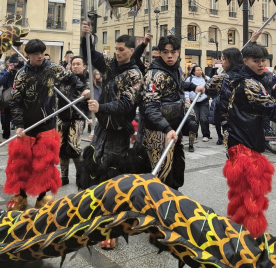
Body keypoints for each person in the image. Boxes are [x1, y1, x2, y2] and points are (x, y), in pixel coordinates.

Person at [196, 45, 276, 238]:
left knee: (242, 191)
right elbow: (274, 110)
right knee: (250, 193)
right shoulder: (248, 83)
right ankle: (248, 236)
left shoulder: (243, 77)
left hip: (241, 139)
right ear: (245, 61)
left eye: (263, 60)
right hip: (242, 142)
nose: (261, 64)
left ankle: (241, 232)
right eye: (256, 61)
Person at [78, 21, 143, 250]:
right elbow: (90, 55)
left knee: (113, 180)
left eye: (121, 50)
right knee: (95, 170)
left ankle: (112, 229)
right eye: (115, 49)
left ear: (131, 51)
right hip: (102, 129)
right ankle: (92, 218)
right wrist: (86, 35)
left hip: (118, 131)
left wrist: (101, 107)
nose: (117, 53)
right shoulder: (109, 65)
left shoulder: (135, 75)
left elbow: (126, 104)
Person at [4, 40, 89, 211]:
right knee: (21, 163)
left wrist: (84, 89)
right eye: (36, 54)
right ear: (28, 55)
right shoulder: (21, 75)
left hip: (48, 123)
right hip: (27, 126)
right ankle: (20, 195)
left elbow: (72, 79)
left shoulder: (53, 69)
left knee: (45, 164)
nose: (40, 56)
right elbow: (15, 101)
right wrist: (19, 124)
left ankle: (42, 197)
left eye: (42, 52)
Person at [139, 35, 198, 190]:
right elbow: (150, 106)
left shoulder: (176, 69)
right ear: (160, 53)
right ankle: (160, 207)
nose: (169, 55)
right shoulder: (154, 75)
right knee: (161, 174)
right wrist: (165, 128)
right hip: (159, 132)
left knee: (177, 170)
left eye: (173, 52)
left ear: (178, 52)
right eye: (165, 52)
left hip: (175, 128)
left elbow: (177, 86)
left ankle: (172, 204)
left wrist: (193, 87)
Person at [57, 55, 90, 185]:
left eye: (78, 64)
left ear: (84, 66)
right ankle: (64, 176)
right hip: (61, 116)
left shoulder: (87, 83)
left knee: (74, 148)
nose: (75, 66)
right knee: (61, 148)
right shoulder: (65, 79)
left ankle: (80, 175)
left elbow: (93, 99)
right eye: (73, 64)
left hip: (78, 118)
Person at [185, 65, 210, 143]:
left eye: (200, 70)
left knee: (204, 118)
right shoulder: (189, 79)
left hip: (203, 101)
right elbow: (186, 90)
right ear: (193, 72)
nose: (199, 71)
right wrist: (187, 99)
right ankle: (194, 135)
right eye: (197, 70)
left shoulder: (206, 78)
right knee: (195, 119)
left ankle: (206, 135)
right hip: (193, 102)